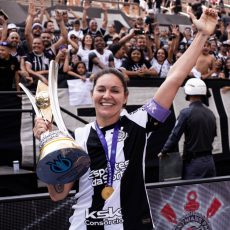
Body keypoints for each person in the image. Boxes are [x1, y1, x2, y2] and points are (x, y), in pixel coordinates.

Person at [33, 7, 218, 230]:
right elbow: (57, 194)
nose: (107, 96)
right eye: (101, 90)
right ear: (93, 95)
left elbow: (174, 79)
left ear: (125, 97)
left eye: (115, 90)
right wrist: (48, 145)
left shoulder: (139, 123)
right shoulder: (78, 138)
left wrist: (202, 35)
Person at [159, 78, 217, 180]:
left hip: (194, 164)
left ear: (188, 92)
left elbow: (175, 136)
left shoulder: (185, 113)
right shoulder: (210, 113)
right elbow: (213, 136)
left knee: (193, 193)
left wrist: (164, 151)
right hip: (210, 162)